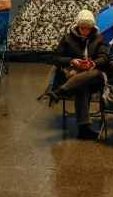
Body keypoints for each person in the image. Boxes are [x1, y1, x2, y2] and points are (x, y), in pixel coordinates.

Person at [47, 10, 109, 140]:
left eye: (88, 29)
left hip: (95, 78)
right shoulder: (67, 39)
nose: (85, 31)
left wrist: (91, 63)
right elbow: (55, 58)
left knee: (94, 73)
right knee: (82, 86)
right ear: (77, 26)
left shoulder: (99, 39)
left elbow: (104, 58)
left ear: (92, 28)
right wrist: (72, 61)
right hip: (74, 76)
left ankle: (61, 91)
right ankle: (83, 128)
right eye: (82, 28)